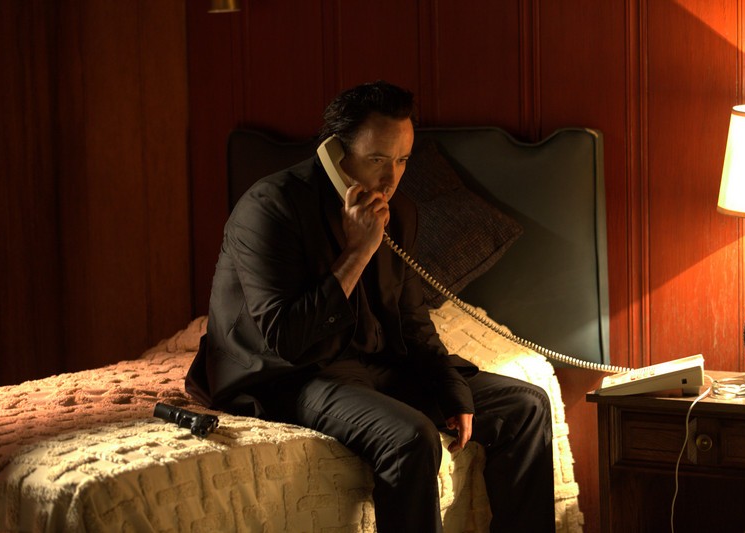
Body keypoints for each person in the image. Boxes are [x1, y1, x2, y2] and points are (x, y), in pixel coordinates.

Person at [185, 80, 555, 532]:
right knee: (412, 436)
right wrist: (358, 251)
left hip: (374, 365)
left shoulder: (399, 212)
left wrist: (452, 391)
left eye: (402, 160)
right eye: (377, 159)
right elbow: (286, 338)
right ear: (336, 153)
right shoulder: (270, 207)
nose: (391, 178)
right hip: (291, 374)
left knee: (526, 404)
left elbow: (412, 322)